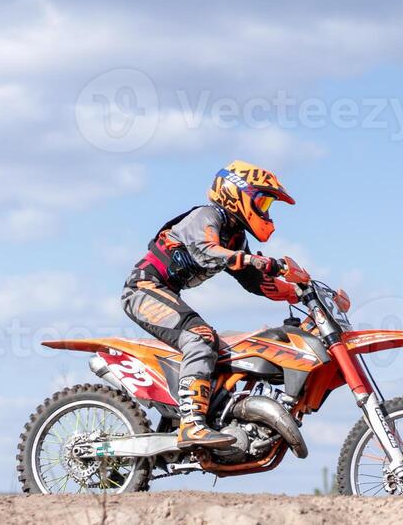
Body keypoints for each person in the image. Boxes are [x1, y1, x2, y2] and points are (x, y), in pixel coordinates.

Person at [122, 160, 309, 449]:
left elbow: (255, 282)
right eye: (262, 201)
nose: (265, 210)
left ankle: (214, 411)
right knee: (201, 337)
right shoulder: (207, 216)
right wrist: (251, 259)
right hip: (143, 288)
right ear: (237, 192)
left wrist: (299, 293)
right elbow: (208, 250)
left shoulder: (235, 236)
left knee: (231, 346)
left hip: (164, 291)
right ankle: (191, 426)